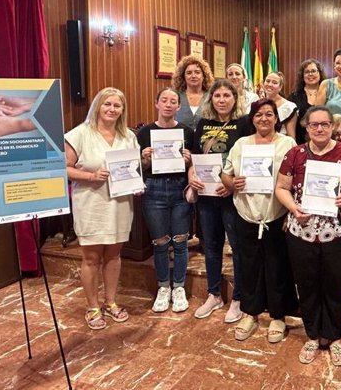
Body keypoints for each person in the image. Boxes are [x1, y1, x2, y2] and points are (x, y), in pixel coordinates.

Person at [275, 106, 341, 366]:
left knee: (335, 286)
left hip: (336, 233)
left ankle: (334, 336)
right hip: (301, 231)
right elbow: (281, 187)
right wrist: (293, 208)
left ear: (331, 126)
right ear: (306, 127)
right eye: (314, 125)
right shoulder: (295, 154)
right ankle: (313, 335)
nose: (319, 129)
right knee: (306, 285)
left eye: (324, 124)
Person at [222, 99, 299, 343]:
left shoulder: (288, 143)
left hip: (276, 216)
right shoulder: (241, 144)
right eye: (258, 115)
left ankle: (278, 316)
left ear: (277, 118)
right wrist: (231, 183)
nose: (263, 119)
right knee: (249, 267)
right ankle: (251, 313)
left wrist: (290, 212)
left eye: (269, 114)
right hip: (247, 214)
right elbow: (225, 173)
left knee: (278, 267)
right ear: (252, 119)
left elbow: (297, 179)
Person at [64, 87, 139, 329]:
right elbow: (63, 168)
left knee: (114, 255)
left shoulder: (128, 136)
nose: (112, 109)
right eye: (107, 104)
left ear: (122, 110)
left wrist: (136, 184)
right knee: (91, 258)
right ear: (98, 105)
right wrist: (90, 175)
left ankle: (111, 301)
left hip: (120, 204)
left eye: (117, 106)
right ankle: (93, 306)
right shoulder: (79, 134)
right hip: (91, 203)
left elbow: (133, 169)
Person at [187, 79, 245, 323]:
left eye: (226, 95)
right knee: (211, 246)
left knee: (238, 248)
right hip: (207, 196)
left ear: (235, 98)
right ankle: (213, 294)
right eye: (217, 96)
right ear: (211, 99)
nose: (222, 100)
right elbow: (193, 156)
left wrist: (231, 186)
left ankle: (239, 298)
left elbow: (248, 156)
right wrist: (191, 175)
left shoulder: (244, 124)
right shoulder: (202, 124)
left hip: (231, 195)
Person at [137, 88, 193, 313]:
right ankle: (163, 287)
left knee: (180, 242)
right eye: (164, 100)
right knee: (160, 243)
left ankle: (178, 286)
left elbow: (193, 166)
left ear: (179, 106)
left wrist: (188, 161)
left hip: (179, 189)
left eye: (173, 101)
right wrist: (145, 159)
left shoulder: (186, 131)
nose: (168, 105)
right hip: (154, 190)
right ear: (156, 103)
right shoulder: (144, 132)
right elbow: (141, 169)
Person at [287, 59, 327, 144]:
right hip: (300, 142)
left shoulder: (328, 93)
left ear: (320, 73)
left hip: (325, 140)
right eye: (307, 72)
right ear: (302, 76)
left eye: (313, 71)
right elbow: (290, 125)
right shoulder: (294, 97)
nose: (310, 74)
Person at [172, 55, 215, 131]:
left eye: (197, 72)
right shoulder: (175, 96)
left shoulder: (212, 96)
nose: (193, 76)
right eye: (189, 73)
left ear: (204, 76)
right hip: (181, 141)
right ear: (183, 76)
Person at [263, 71, 298, 139]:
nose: (270, 84)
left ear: (280, 87)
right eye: (267, 81)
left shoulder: (289, 107)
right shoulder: (258, 103)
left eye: (274, 82)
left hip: (281, 145)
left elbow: (291, 136)